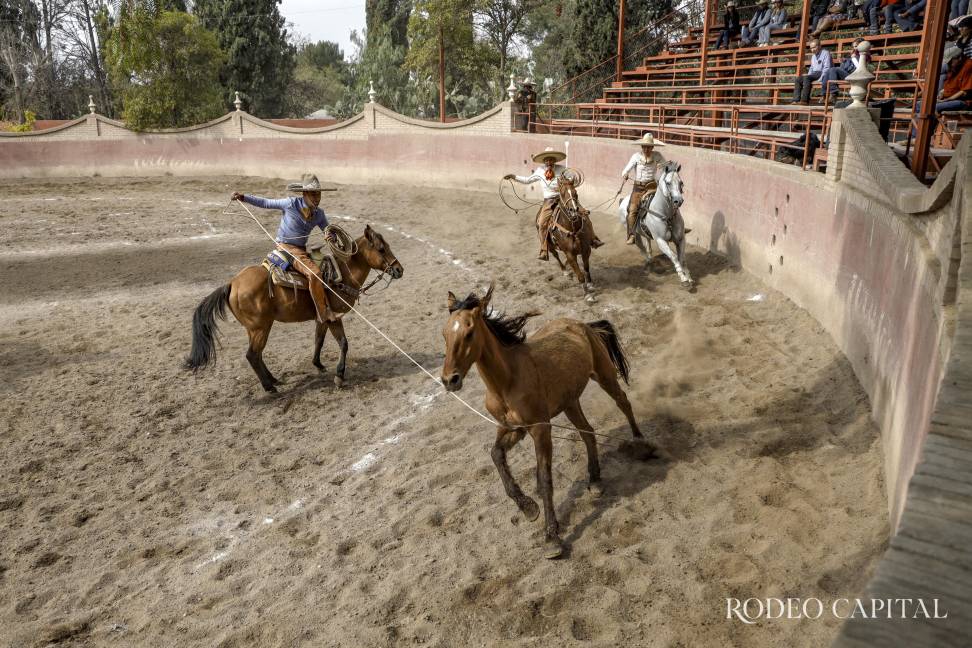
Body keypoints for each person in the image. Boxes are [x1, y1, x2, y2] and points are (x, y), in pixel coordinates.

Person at [232, 174, 336, 323]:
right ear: (304, 194)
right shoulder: (290, 204)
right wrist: (244, 197)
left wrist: (330, 235)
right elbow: (266, 202)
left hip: (301, 249)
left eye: (318, 194)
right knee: (315, 273)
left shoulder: (319, 214)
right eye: (313, 194)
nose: (316, 198)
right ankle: (322, 313)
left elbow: (328, 229)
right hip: (287, 248)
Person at [504, 148, 603, 260]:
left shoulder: (562, 170)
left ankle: (593, 239)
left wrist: (570, 179)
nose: (549, 162)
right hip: (548, 201)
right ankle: (544, 249)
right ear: (544, 161)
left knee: (584, 214)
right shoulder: (540, 171)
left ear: (554, 160)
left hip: (564, 198)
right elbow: (527, 180)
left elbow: (573, 177)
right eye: (546, 160)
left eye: (551, 160)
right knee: (541, 223)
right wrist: (513, 177)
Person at [913, 47, 972, 136]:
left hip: (962, 102)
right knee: (918, 104)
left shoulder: (968, 65)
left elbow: (964, 92)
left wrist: (946, 100)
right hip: (947, 98)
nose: (949, 64)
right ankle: (916, 136)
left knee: (932, 107)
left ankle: (923, 137)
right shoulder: (952, 67)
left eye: (950, 61)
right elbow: (949, 85)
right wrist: (941, 93)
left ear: (959, 58)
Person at [621, 133, 667, 245]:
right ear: (641, 147)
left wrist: (664, 166)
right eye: (644, 146)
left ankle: (675, 228)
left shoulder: (657, 155)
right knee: (632, 210)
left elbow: (665, 166)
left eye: (649, 147)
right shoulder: (636, 156)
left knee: (668, 201)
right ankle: (632, 234)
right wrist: (625, 174)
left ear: (652, 147)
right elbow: (625, 170)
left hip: (653, 187)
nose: (646, 149)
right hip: (639, 188)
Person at [792, 39, 833, 104]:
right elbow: (811, 67)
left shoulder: (826, 53)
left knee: (806, 78)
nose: (812, 50)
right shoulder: (813, 56)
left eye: (814, 47)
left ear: (819, 46)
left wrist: (821, 78)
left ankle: (804, 100)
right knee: (798, 79)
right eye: (811, 48)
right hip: (814, 74)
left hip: (822, 72)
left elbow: (827, 68)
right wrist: (808, 75)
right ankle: (796, 100)